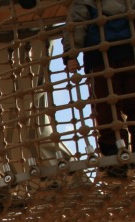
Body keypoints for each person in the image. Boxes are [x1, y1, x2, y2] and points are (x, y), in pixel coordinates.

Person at [63, 0, 135, 179]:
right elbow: (76, 24)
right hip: (109, 56)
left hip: (105, 57)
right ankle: (114, 154)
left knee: (106, 109)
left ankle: (114, 154)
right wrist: (70, 54)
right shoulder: (87, 3)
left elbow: (75, 25)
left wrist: (70, 53)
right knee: (109, 108)